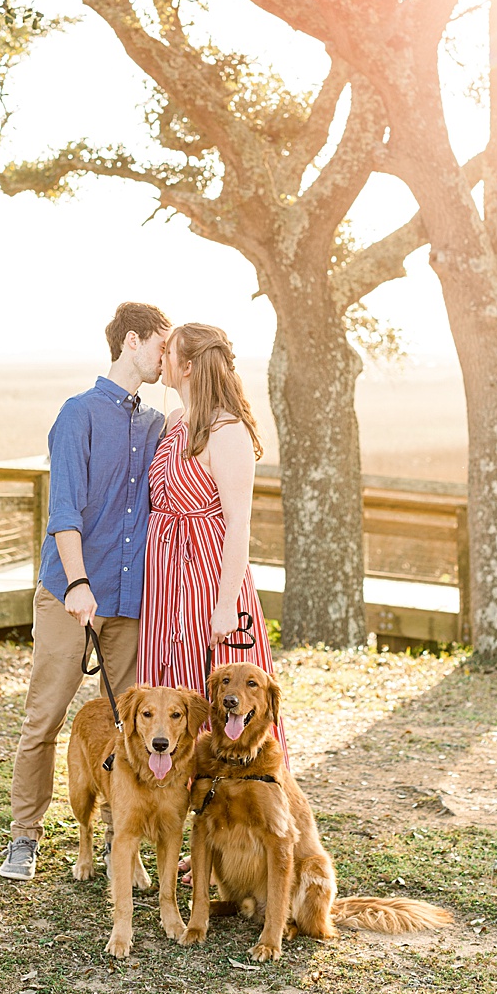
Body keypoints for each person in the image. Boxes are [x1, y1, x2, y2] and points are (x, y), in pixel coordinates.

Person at [0, 302, 169, 882]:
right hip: (71, 595)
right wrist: (76, 583)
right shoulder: (78, 415)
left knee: (136, 729)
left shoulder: (154, 425)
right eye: (160, 345)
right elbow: (64, 510)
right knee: (44, 719)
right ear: (131, 342)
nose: (165, 357)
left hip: (131, 600)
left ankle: (130, 841)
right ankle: (24, 836)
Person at [139, 322, 287, 759]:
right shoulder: (173, 422)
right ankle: (166, 798)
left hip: (207, 578)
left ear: (186, 366)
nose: (161, 356)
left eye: (169, 352)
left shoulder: (228, 431)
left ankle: (229, 806)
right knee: (166, 693)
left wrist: (226, 605)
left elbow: (238, 524)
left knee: (215, 697)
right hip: (164, 580)